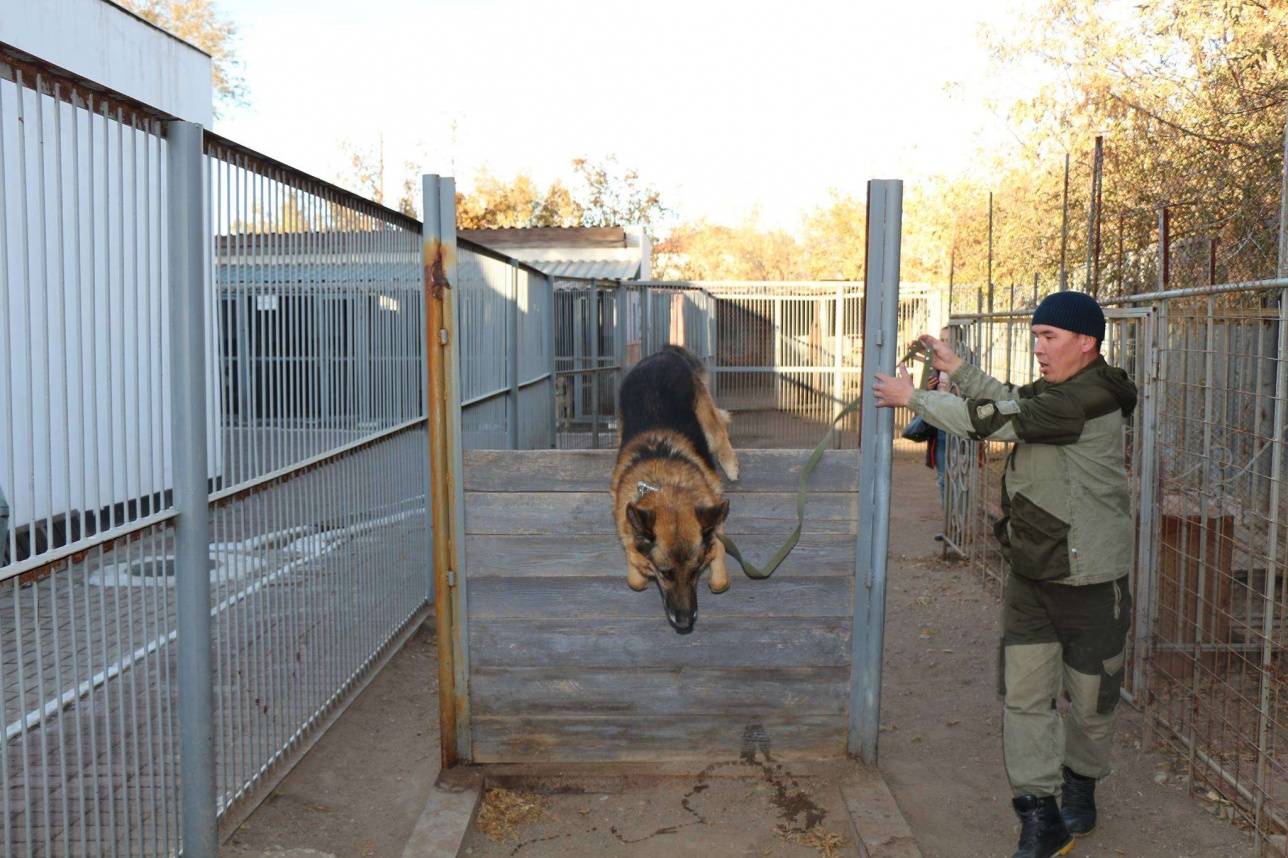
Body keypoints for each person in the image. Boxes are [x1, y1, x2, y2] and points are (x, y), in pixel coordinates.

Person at [872, 292, 1137, 858]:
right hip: (1033, 568)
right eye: (1036, 336)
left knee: (1091, 703)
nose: (1037, 348)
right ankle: (1039, 815)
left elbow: (996, 421)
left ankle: (1081, 779)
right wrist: (956, 369)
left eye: (1049, 338)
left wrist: (911, 397)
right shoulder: (1060, 390)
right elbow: (1013, 398)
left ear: (1086, 341)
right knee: (1024, 696)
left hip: (1090, 576)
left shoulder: (1088, 397)